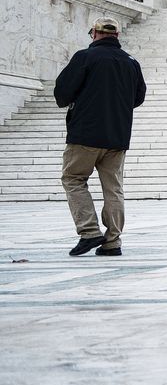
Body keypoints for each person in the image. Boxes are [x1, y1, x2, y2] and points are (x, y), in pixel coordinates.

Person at [53, 17, 146, 257]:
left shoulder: (85, 57)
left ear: (94, 33)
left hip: (85, 134)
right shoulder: (131, 62)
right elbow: (138, 98)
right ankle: (112, 242)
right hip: (117, 136)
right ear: (117, 35)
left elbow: (62, 92)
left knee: (73, 178)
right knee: (113, 188)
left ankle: (89, 232)